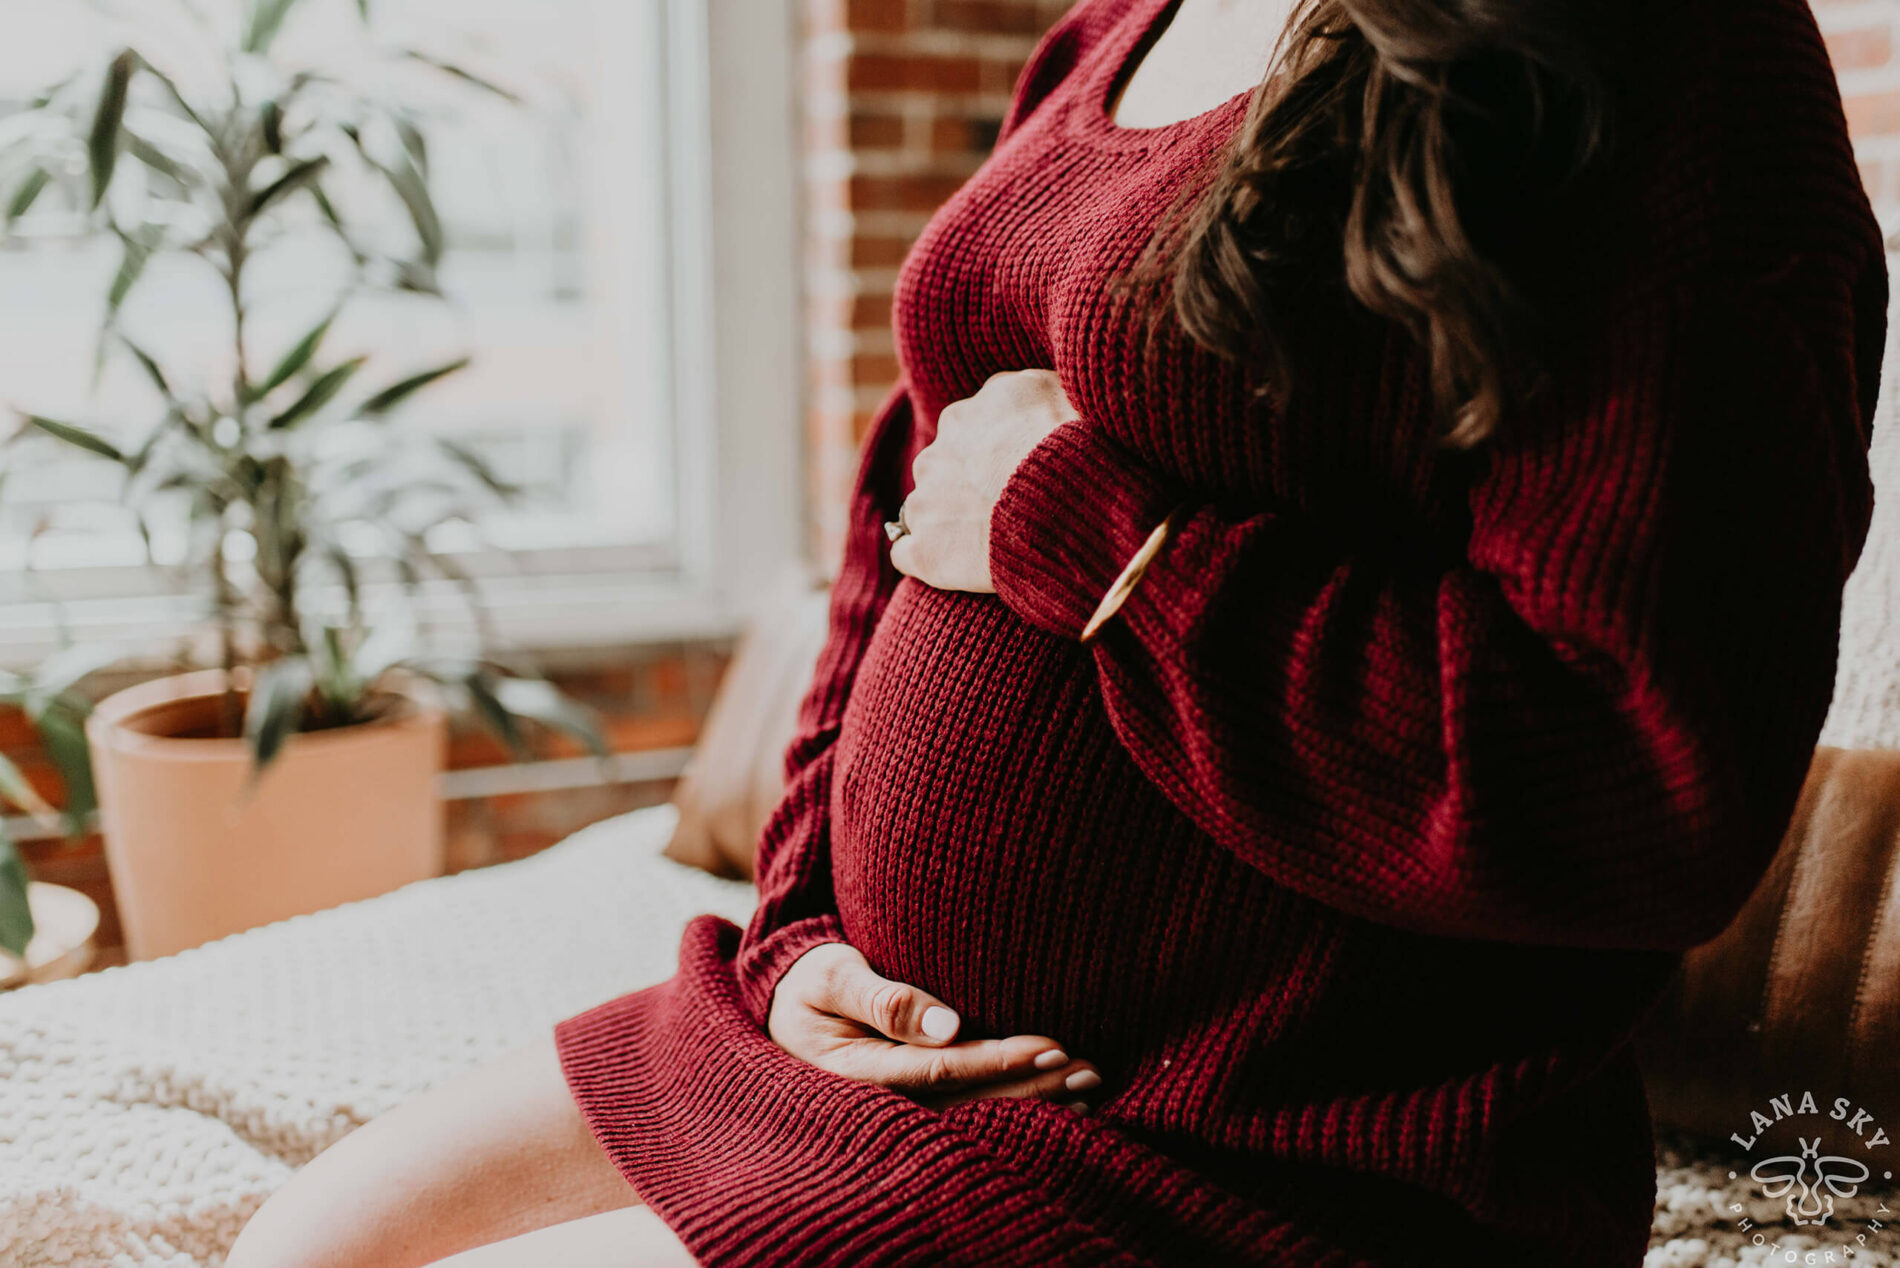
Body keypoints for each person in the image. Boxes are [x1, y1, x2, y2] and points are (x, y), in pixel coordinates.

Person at [227, 0, 1886, 1263]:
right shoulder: (1122, 23)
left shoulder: (1654, 54)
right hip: (854, 1045)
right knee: (288, 1243)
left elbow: (1640, 777)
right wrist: (803, 932)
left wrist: (1101, 541)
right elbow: (903, 526)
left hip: (1252, 1153)